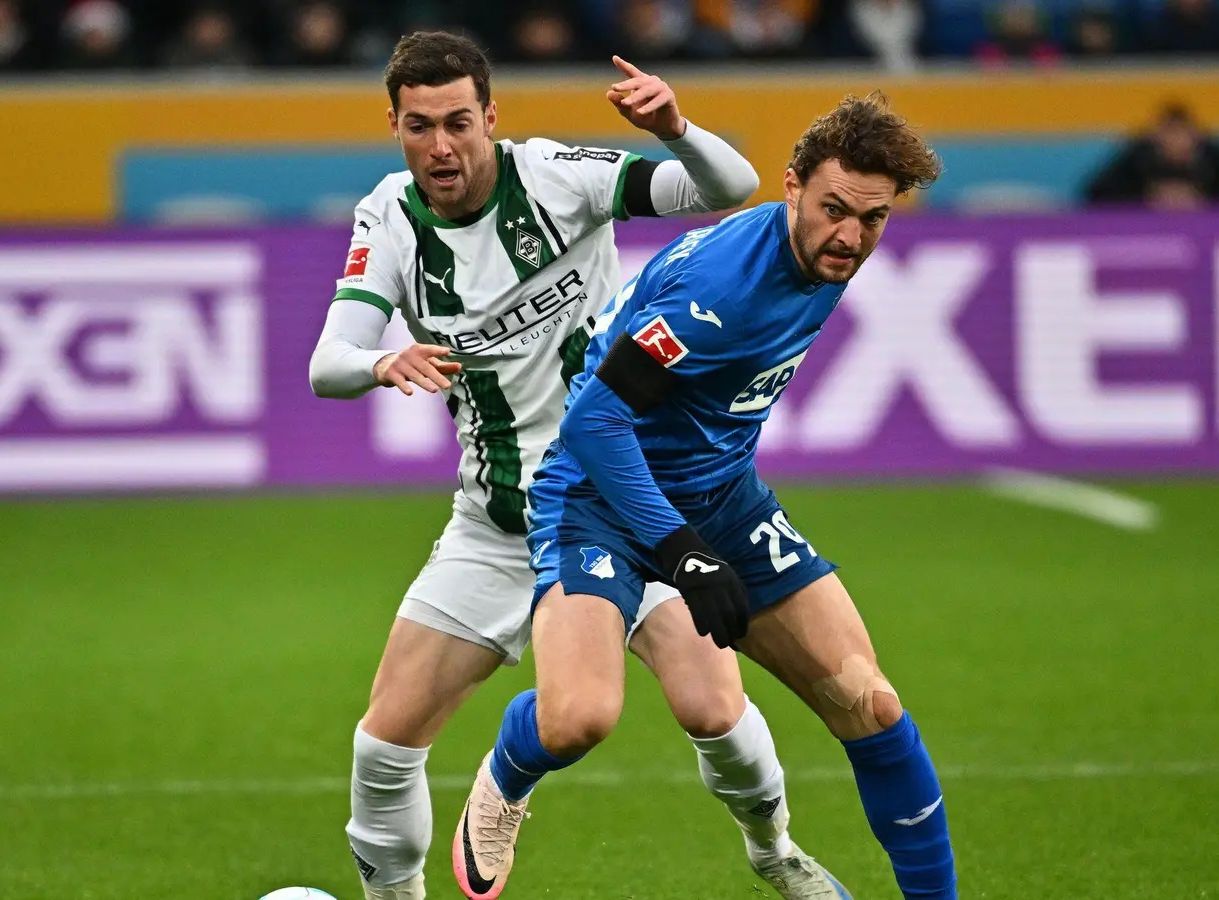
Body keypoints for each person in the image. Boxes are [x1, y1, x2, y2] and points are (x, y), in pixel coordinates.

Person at [309, 30, 847, 900]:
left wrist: (674, 126)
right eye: (418, 127)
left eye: (457, 122)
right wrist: (380, 362)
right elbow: (325, 363)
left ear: (491, 117)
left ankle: (774, 849)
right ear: (395, 127)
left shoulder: (560, 176)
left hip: (619, 504)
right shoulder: (390, 216)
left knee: (713, 709)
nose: (440, 146)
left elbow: (728, 186)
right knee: (383, 745)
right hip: (495, 526)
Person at [453, 92, 954, 900]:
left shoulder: (827, 252)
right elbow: (594, 422)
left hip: (725, 499)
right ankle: (510, 768)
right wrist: (681, 550)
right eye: (834, 210)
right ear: (791, 185)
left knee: (872, 704)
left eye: (874, 219)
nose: (852, 237)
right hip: (599, 501)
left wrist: (703, 527)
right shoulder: (723, 290)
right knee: (578, 718)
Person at [1083, 102, 1219, 208]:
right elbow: (1093, 193)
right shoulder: (1137, 159)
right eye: (1170, 133)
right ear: (1156, 136)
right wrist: (1147, 197)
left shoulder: (1213, 159)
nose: (1176, 141)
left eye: (1182, 133)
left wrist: (1204, 198)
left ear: (1195, 135)